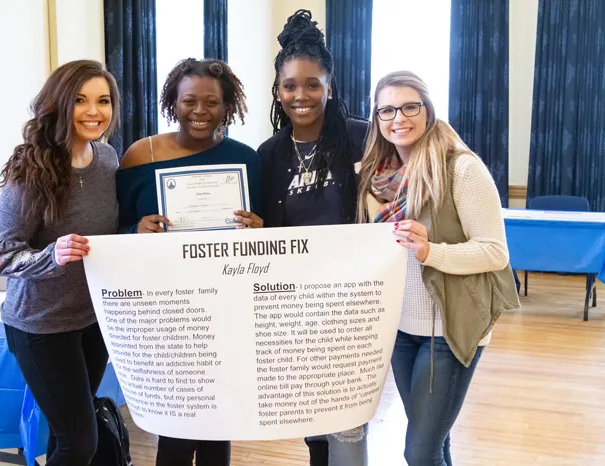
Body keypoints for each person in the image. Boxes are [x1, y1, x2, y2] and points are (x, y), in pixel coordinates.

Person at [357, 70, 519, 466]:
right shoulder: (373, 177)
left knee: (419, 450)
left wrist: (432, 252)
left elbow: (495, 253)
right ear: (377, 119)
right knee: (434, 440)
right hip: (399, 326)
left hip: (449, 327)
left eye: (410, 106)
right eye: (387, 110)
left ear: (427, 110)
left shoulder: (461, 169)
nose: (399, 118)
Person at [116, 58, 262, 466]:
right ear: (172, 103)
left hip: (227, 304)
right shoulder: (139, 156)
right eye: (189, 101)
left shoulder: (246, 159)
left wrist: (257, 227)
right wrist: (135, 231)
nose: (200, 111)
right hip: (167, 309)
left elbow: (266, 233)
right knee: (176, 420)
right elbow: (113, 229)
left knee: (220, 416)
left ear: (227, 105)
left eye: (212, 102)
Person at [0, 60, 121, 465]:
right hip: (41, 325)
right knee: (79, 443)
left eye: (103, 101)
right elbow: (0, 255)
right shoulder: (31, 170)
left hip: (92, 321)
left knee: (69, 437)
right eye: (80, 101)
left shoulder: (109, 159)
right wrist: (52, 255)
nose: (94, 112)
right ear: (60, 104)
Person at [257, 9, 371, 466]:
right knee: (310, 412)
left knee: (348, 415)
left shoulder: (364, 138)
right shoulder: (268, 154)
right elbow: (266, 228)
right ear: (278, 91)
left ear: (330, 86)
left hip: (353, 299)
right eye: (290, 86)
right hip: (295, 302)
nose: (300, 95)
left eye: (312, 84)